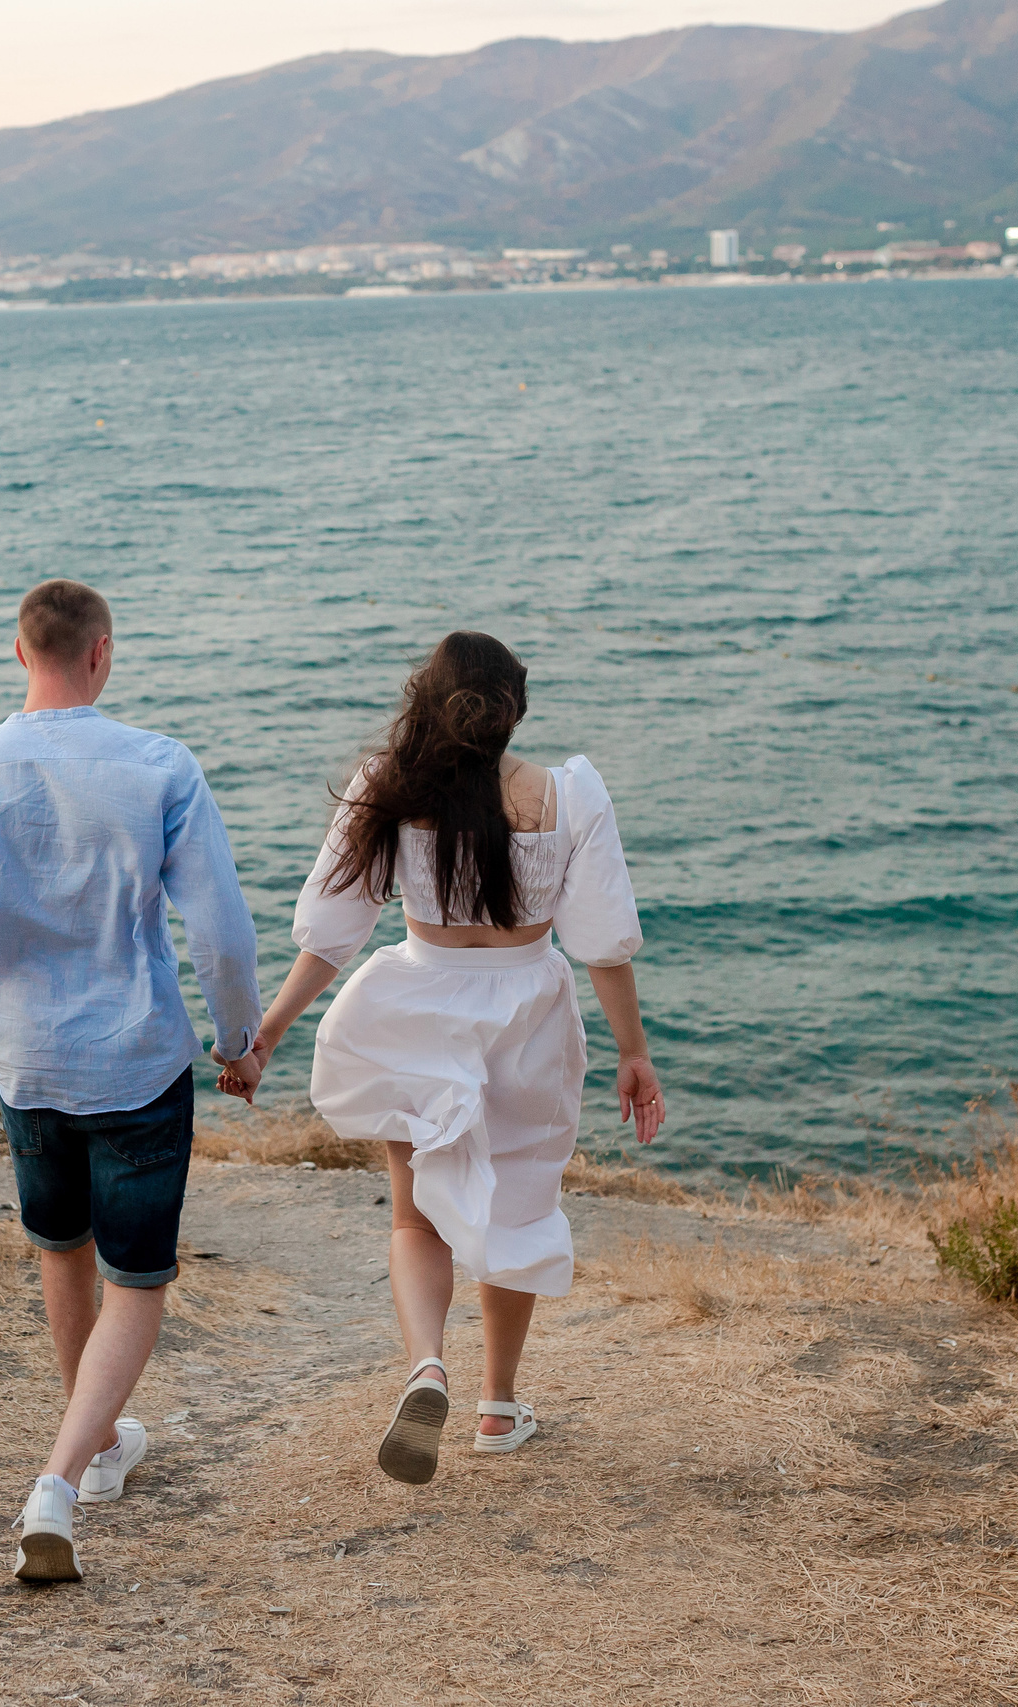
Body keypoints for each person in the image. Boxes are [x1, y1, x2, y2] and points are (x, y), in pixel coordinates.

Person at [223, 631, 662, 1485]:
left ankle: (427, 1365)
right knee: (519, 1206)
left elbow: (334, 932)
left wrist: (266, 1033)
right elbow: (604, 942)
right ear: (515, 709)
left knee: (413, 1216)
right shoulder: (567, 796)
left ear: (427, 700)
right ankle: (498, 1405)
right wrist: (634, 1052)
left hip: (416, 1009)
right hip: (528, 1017)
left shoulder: (391, 788)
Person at [0, 578, 264, 1583]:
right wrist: (239, 1039)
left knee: (61, 1248)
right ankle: (58, 1481)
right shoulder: (160, 767)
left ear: (21, 653)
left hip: (25, 1065)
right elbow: (219, 929)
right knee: (135, 1280)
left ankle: (100, 1447)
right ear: (101, 652)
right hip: (137, 1060)